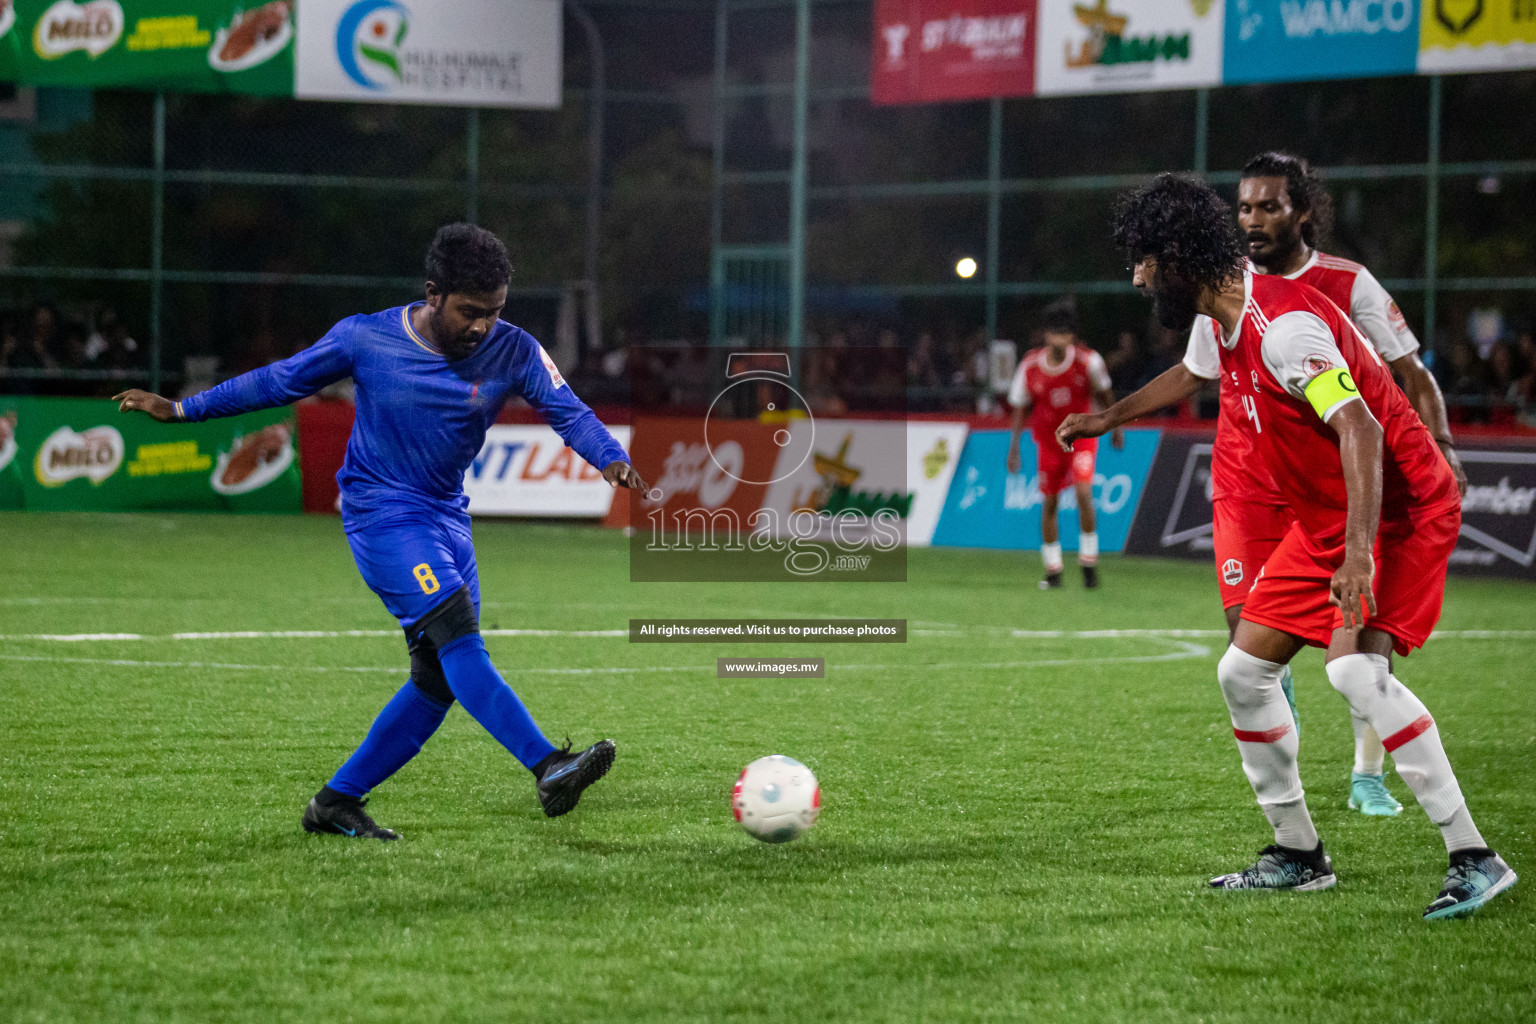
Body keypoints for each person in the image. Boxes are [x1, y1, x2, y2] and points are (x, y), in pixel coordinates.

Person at [115, 223, 647, 841]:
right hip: (382, 513)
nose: (482, 326)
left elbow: (568, 410)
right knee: (456, 636)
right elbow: (280, 379)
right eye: (470, 312)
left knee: (437, 679)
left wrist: (607, 455)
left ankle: (335, 803)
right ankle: (548, 765)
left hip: (448, 516)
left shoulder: (516, 349)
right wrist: (182, 409)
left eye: (494, 311)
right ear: (432, 293)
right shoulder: (366, 338)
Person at [1098, 173, 1513, 919]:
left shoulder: (1284, 329)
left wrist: (1357, 553)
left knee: (1354, 670)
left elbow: (1360, 428)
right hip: (1329, 519)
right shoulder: (1227, 321)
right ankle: (1298, 854)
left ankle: (1476, 858)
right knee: (1242, 672)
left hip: (1399, 509)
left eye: (1145, 260)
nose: (1138, 277)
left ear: (1180, 257)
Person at [1062, 152, 1464, 818]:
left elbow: (1392, 391)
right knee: (1246, 658)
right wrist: (1110, 417)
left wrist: (1440, 447)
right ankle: (1295, 835)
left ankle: (1382, 785)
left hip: (1353, 492)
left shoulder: (1321, 298)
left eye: (1268, 205)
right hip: (1256, 484)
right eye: (1243, 206)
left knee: (1356, 661)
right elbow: (1193, 373)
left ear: (1301, 211)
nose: (1253, 218)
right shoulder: (1224, 296)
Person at [1005, 298, 1122, 589]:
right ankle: (1053, 570)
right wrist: (1014, 447)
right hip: (1047, 442)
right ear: (1045, 335)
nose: (1059, 338)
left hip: (1080, 439)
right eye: (1054, 332)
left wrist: (1116, 426)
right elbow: (1020, 407)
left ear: (1072, 336)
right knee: (1050, 502)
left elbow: (1106, 395)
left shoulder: (1088, 362)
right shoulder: (1031, 366)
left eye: (1065, 333)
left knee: (1084, 492)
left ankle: (1088, 564)